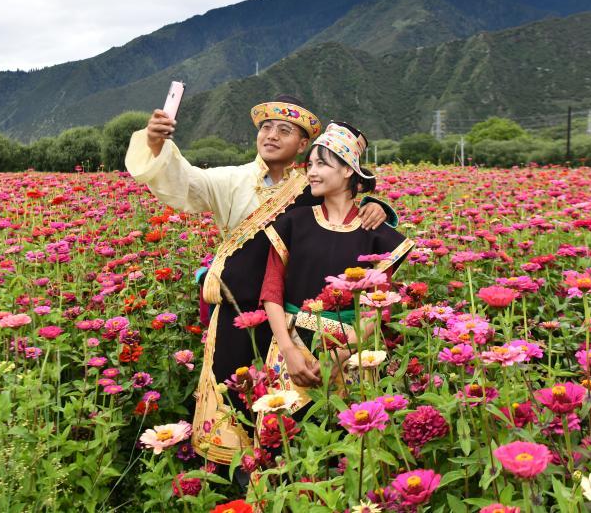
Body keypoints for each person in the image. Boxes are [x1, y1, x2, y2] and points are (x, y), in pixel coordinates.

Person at [124, 96, 395, 464]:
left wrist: (377, 206)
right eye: (266, 127)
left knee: (287, 414)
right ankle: (237, 482)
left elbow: (344, 211)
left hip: (291, 320)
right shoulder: (231, 180)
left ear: (303, 144)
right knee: (232, 396)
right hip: (238, 314)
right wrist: (156, 143)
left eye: (284, 130)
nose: (271, 135)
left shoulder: (311, 185)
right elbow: (185, 182)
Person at [258, 122, 414, 413]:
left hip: (353, 349)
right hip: (291, 345)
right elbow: (272, 289)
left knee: (351, 431)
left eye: (322, 164)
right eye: (310, 164)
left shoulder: (377, 234)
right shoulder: (294, 222)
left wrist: (341, 353)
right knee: (283, 430)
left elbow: (379, 306)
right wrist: (288, 349)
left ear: (347, 170)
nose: (312, 172)